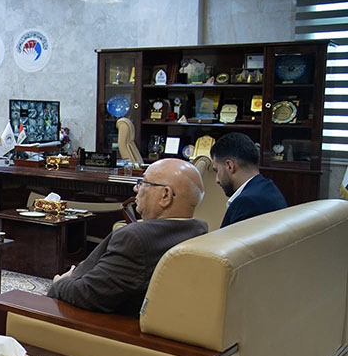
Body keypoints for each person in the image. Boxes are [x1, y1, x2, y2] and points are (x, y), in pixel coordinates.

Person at [47, 158, 208, 316]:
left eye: (142, 183)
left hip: (103, 323)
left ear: (165, 196)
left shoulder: (136, 239)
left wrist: (60, 283)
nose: (136, 189)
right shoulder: (199, 230)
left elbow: (89, 294)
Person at [210, 132, 287, 228]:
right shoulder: (270, 189)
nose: (217, 180)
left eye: (217, 170)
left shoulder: (246, 203)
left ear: (230, 166)